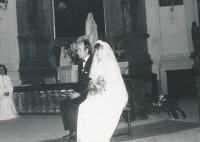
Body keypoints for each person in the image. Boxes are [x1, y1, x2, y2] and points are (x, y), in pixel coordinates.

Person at [77, 40, 128, 142]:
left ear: (104, 50)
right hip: (99, 93)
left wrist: (100, 88)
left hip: (112, 94)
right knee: (83, 106)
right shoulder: (98, 64)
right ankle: (86, 138)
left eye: (98, 51)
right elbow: (94, 79)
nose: (96, 53)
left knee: (93, 108)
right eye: (95, 51)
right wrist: (93, 86)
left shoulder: (111, 64)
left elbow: (113, 83)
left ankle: (96, 137)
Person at [60, 40, 93, 141]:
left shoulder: (93, 62)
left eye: (79, 49)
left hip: (90, 92)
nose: (77, 52)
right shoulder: (80, 62)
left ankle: (76, 132)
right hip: (82, 91)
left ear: (87, 50)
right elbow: (80, 82)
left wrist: (79, 94)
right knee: (64, 103)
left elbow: (92, 84)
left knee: (73, 104)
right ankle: (71, 130)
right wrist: (74, 92)